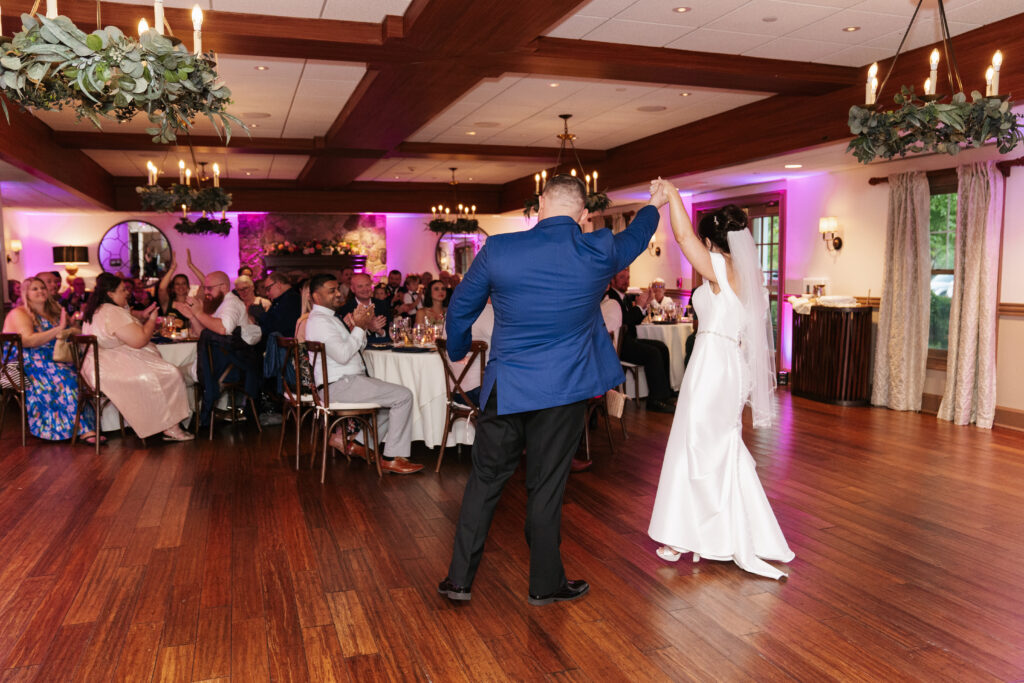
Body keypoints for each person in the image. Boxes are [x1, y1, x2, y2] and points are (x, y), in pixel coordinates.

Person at [438, 174, 664, 606]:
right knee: (546, 487)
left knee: (485, 481)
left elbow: (460, 309)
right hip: (563, 391)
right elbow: (637, 234)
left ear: (540, 205)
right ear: (584, 215)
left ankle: (459, 581)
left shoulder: (500, 249)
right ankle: (544, 584)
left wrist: (460, 347)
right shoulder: (597, 248)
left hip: (507, 388)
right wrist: (656, 204)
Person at [647, 181, 794, 581]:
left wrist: (674, 197)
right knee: (718, 443)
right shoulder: (750, 278)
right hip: (731, 364)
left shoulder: (719, 268)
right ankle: (719, 528)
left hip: (712, 363)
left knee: (694, 442)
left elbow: (681, 235)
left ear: (712, 242)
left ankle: (685, 534)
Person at [304, 273, 422, 474]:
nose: (337, 295)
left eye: (337, 290)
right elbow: (342, 355)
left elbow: (354, 347)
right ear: (316, 297)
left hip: (345, 381)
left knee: (387, 405)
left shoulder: (328, 318)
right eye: (331, 291)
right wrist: (358, 327)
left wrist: (362, 327)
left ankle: (359, 444)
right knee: (403, 396)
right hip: (338, 385)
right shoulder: (320, 322)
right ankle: (392, 457)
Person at [81, 273, 194, 441]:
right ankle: (170, 426)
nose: (127, 293)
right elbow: (140, 340)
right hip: (106, 369)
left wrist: (141, 316)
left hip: (95, 367)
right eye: (122, 290)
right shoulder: (112, 312)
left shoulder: (97, 310)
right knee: (169, 373)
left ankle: (166, 424)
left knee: (162, 371)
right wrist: (152, 320)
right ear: (110, 294)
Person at [2, 277, 99, 443]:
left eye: (42, 287)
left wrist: (71, 327)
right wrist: (59, 329)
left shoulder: (54, 310)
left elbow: (67, 333)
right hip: (23, 362)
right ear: (26, 293)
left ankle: (87, 425)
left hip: (55, 358)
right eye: (35, 289)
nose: (40, 291)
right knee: (65, 377)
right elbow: (28, 341)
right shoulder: (19, 313)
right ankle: (82, 429)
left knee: (84, 373)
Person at [606, 269, 674, 412]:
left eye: (628, 277)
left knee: (662, 347)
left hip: (628, 340)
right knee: (653, 353)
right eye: (622, 277)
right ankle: (655, 400)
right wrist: (639, 306)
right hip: (620, 346)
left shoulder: (622, 297)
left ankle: (665, 393)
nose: (626, 281)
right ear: (612, 280)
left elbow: (631, 321)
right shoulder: (611, 298)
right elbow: (625, 321)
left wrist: (642, 306)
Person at [175, 271, 250, 337]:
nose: (205, 292)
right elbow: (203, 334)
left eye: (209, 288)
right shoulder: (218, 302)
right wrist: (192, 317)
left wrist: (198, 313)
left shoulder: (232, 303)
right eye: (205, 288)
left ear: (223, 287)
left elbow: (223, 328)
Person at [252, 272, 302, 340]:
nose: (267, 293)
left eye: (268, 289)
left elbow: (275, 326)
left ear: (278, 285)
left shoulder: (292, 299)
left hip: (287, 347)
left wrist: (261, 315)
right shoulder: (281, 299)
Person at [156, 256, 191, 329]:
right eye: (177, 284)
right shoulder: (167, 303)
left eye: (183, 283)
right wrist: (172, 269)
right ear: (173, 288)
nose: (180, 286)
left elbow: (204, 285)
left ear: (188, 287)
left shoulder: (193, 304)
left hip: (189, 340)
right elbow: (162, 288)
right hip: (169, 339)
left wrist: (191, 266)